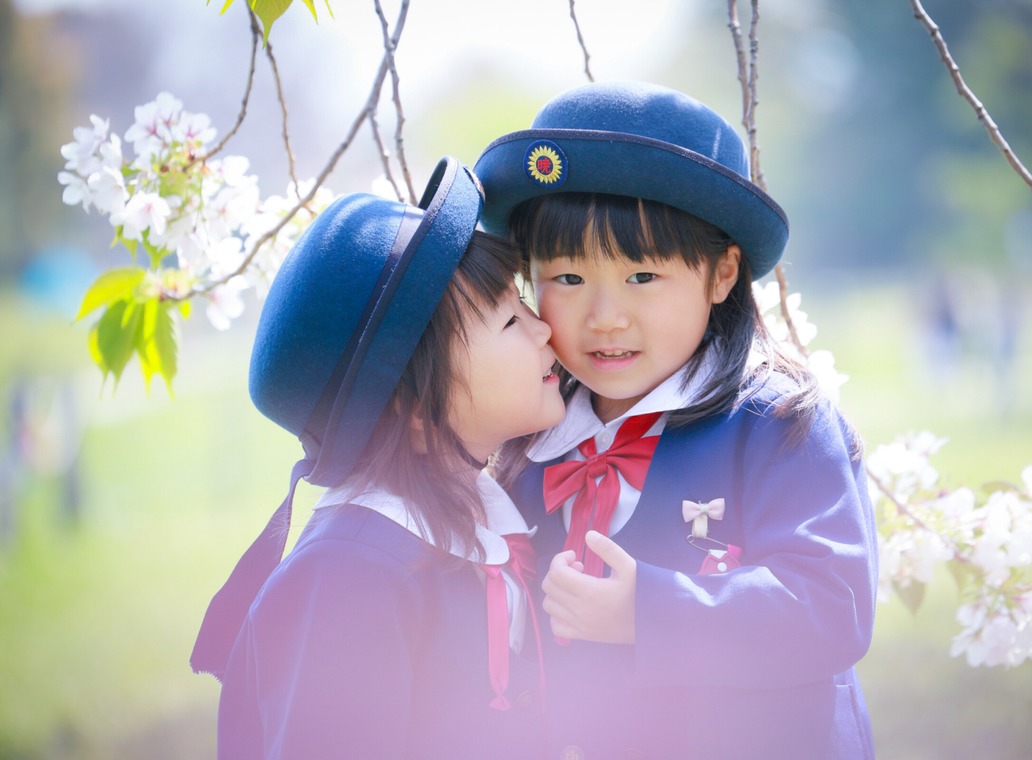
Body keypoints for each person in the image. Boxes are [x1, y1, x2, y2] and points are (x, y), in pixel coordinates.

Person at [474, 81, 878, 758]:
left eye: (642, 277)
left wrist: (648, 612)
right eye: (568, 279)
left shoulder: (777, 424)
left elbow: (832, 604)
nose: (606, 317)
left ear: (721, 276)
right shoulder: (528, 445)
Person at [189, 157, 566, 759]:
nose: (545, 329)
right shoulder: (349, 575)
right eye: (509, 320)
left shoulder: (485, 519)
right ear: (416, 408)